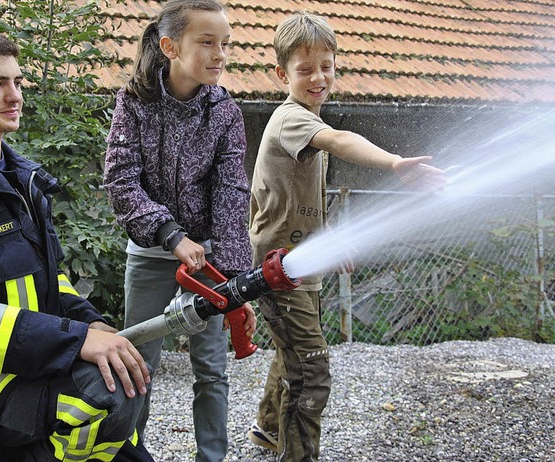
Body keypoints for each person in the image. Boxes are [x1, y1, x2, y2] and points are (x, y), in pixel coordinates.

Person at [0, 27, 155, 462]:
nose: (15, 96)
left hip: (27, 360)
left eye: (18, 82)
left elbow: (51, 284)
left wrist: (91, 324)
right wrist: (74, 340)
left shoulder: (21, 178)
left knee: (127, 379)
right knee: (105, 397)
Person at [246, 11, 446, 462]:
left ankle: (267, 431)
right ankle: (297, 455)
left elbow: (307, 197)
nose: (318, 77)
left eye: (326, 67)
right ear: (282, 74)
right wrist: (395, 164)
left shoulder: (306, 122)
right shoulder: (291, 120)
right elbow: (338, 140)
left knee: (292, 353)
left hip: (300, 263)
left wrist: (331, 240)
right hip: (278, 269)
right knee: (311, 367)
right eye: (305, 69)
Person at [103, 1, 256, 461]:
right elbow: (120, 180)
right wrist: (171, 235)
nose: (220, 54)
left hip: (207, 262)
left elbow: (232, 194)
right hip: (150, 256)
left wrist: (235, 285)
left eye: (224, 44)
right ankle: (132, 454)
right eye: (207, 42)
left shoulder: (224, 111)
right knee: (138, 367)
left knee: (211, 370)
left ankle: (211, 458)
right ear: (170, 46)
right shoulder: (134, 103)